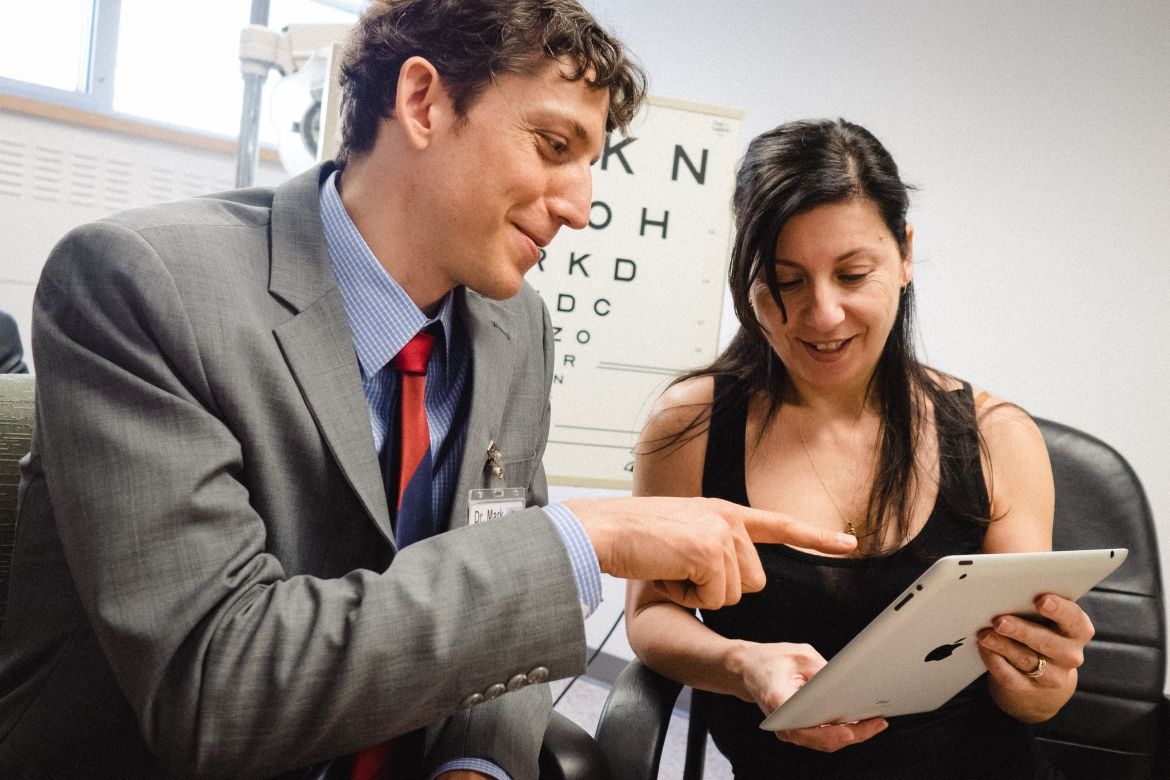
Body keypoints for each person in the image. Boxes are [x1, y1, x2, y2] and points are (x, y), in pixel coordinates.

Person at [0, 3, 857, 778]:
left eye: (593, 164)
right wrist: (584, 538)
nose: (580, 206)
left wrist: (475, 769)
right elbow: (218, 688)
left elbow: (501, 629)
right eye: (554, 147)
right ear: (423, 102)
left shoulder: (514, 330)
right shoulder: (144, 288)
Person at [625, 118, 1095, 779]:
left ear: (904, 255)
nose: (821, 315)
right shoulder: (693, 426)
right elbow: (652, 614)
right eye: (785, 280)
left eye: (852, 274)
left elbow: (1033, 692)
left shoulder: (997, 437)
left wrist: (1040, 679)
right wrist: (742, 665)